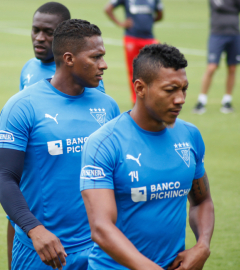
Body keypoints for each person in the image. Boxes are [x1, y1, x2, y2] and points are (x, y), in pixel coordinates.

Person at [0, 3, 105, 269]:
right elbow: (18, 143)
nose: (39, 38)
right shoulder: (28, 76)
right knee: (17, 218)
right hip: (33, 205)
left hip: (86, 233)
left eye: (48, 32)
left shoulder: (94, 90)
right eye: (35, 30)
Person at [0, 19, 120, 270]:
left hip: (98, 250)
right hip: (41, 251)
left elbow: (117, 176)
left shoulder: (107, 106)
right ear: (69, 58)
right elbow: (5, 177)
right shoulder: (22, 106)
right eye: (96, 57)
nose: (103, 65)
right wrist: (34, 229)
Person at [80, 44, 215, 270]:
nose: (180, 99)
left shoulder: (190, 135)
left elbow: (202, 200)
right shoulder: (104, 143)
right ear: (140, 88)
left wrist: (202, 245)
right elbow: (101, 228)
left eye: (184, 89)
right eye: (170, 90)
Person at [192, 0, 240, 114]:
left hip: (234, 34)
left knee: (232, 68)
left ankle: (227, 101)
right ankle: (201, 101)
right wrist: (234, 10)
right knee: (211, 67)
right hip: (217, 34)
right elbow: (221, 6)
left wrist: (234, 8)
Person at [104, 0, 163, 105]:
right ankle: (136, 100)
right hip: (132, 38)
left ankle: (154, 98)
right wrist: (120, 23)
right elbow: (108, 9)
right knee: (133, 70)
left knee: (155, 69)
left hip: (149, 38)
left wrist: (148, 21)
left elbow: (160, 14)